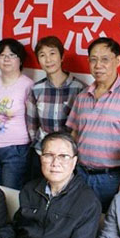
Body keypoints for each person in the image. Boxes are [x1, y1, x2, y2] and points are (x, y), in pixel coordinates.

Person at [66, 37, 120, 210]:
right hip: (79, 174)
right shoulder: (83, 96)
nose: (98, 65)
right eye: (93, 60)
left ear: (118, 60)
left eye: (105, 59)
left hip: (111, 178)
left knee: (105, 228)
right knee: (77, 222)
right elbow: (74, 135)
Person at [25, 36, 86, 180]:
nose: (48, 59)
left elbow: (82, 127)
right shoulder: (36, 89)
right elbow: (32, 125)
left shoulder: (79, 89)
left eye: (52, 53)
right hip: (42, 155)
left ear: (62, 56)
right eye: (42, 55)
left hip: (67, 158)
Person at [0, 38, 34, 189]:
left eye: (12, 55)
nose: (6, 59)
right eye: (1, 55)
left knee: (10, 194)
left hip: (15, 151)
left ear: (20, 60)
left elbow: (32, 120)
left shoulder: (28, 85)